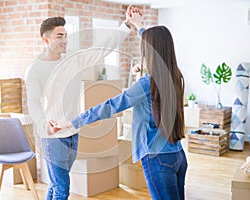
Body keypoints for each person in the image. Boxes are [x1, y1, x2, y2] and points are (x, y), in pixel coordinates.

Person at [53, 11, 188, 200]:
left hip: (157, 159)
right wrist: (138, 25)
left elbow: (111, 106)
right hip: (178, 156)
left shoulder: (147, 83)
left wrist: (73, 122)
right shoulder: (175, 76)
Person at [25, 5, 140, 200]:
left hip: (73, 133)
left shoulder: (72, 59)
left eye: (65, 35)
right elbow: (33, 102)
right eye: (59, 36)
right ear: (45, 40)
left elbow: (101, 50)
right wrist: (45, 123)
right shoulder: (36, 70)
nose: (65, 40)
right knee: (62, 188)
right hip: (53, 138)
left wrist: (126, 25)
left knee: (56, 184)